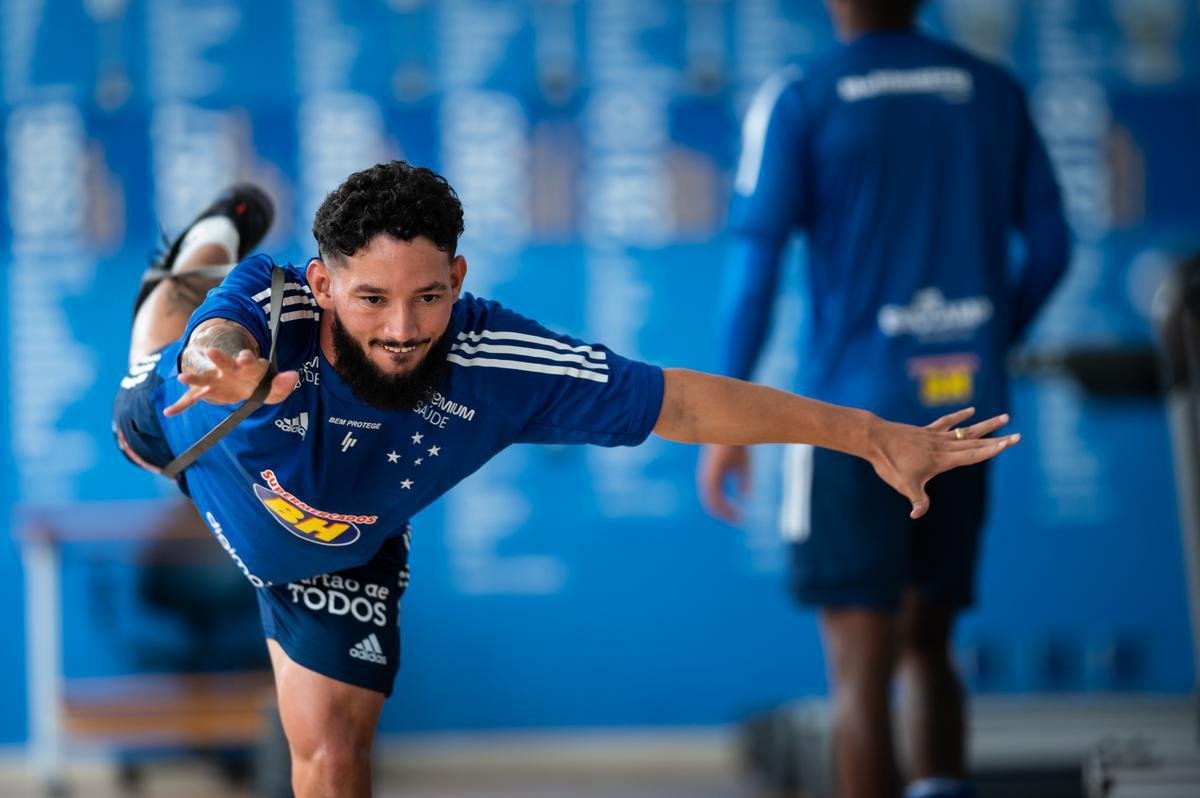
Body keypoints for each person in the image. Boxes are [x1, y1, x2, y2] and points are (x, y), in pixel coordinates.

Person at [114, 161, 1017, 798]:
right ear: (323, 283)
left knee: (336, 760)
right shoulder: (274, 296)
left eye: (428, 296)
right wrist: (217, 359)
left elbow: (684, 407)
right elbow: (218, 339)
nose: (401, 327)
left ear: (457, 277)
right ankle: (197, 246)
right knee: (152, 365)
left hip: (335, 553)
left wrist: (866, 436)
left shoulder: (499, 360)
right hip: (207, 432)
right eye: (371, 300)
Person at [698, 2, 1070, 797]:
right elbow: (1051, 245)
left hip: (852, 421)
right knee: (931, 646)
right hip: (966, 410)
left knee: (859, 671)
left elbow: (754, 271)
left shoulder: (802, 95)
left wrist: (723, 422)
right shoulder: (991, 87)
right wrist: (990, 341)